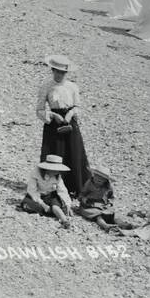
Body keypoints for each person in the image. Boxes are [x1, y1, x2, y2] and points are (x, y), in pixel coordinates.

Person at [36, 55, 91, 196]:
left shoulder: (72, 87)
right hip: (54, 124)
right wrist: (53, 115)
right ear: (52, 70)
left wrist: (70, 114)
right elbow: (40, 109)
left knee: (74, 152)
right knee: (55, 152)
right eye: (57, 71)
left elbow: (78, 106)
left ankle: (76, 186)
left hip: (69, 122)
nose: (60, 75)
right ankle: (51, 186)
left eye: (63, 72)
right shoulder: (46, 86)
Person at [19, 154, 73, 229]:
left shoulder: (58, 176)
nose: (56, 172)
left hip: (50, 195)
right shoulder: (36, 173)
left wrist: (68, 205)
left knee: (55, 207)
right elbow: (32, 190)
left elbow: (62, 191)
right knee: (28, 204)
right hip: (38, 196)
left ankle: (64, 221)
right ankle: (49, 211)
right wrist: (43, 204)